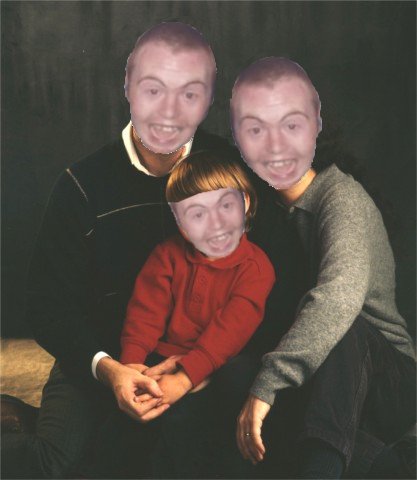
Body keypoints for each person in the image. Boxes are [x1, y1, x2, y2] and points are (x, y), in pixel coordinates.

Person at [1, 22, 228, 479]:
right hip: (101, 356)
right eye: (153, 89)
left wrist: (200, 365)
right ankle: (17, 424)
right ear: (127, 87)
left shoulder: (230, 170)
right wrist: (107, 369)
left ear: (208, 100)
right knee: (54, 465)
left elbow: (269, 280)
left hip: (200, 359)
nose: (168, 111)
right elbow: (46, 305)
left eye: (189, 93)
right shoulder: (82, 184)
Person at [228, 57, 416, 478]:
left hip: (389, 382)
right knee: (234, 376)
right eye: (256, 130)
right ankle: (387, 467)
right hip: (328, 388)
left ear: (315, 128)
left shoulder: (340, 199)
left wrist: (268, 384)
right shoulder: (262, 211)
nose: (274, 145)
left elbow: (337, 300)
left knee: (338, 330)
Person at [100, 150, 274, 478]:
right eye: (197, 214)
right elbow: (144, 313)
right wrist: (133, 364)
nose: (215, 223)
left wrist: (184, 378)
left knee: (186, 429)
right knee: (122, 429)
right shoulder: (167, 255)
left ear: (246, 204)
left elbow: (230, 331)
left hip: (219, 364)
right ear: (181, 225)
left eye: (226, 206)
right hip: (160, 358)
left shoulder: (255, 267)